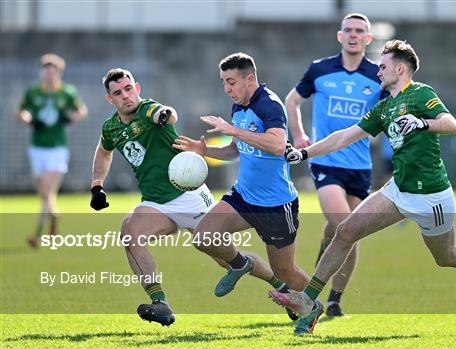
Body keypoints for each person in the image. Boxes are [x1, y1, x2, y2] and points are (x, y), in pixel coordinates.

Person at [270, 40, 456, 333]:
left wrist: (422, 123)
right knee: (345, 231)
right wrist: (305, 153)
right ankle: (309, 301)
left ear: (400, 68)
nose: (378, 72)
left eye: (382, 67)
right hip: (398, 190)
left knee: (448, 257)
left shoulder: (421, 94)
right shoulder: (384, 107)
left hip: (431, 197)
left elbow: (450, 123)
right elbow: (344, 136)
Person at [174, 53, 321, 334]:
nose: (227, 88)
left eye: (231, 82)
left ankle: (311, 307)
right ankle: (241, 265)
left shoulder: (269, 105)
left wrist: (235, 131)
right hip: (243, 196)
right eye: (223, 83)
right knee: (204, 237)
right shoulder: (238, 108)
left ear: (249, 78)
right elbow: (235, 149)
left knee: (284, 272)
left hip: (276, 205)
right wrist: (205, 152)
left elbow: (278, 145)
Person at [90, 68, 215, 326]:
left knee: (227, 258)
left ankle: (280, 285)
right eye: (118, 93)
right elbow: (103, 152)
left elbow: (166, 113)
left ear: (137, 88)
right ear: (110, 99)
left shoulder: (148, 110)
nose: (125, 96)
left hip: (190, 197)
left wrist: (164, 115)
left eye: (128, 89)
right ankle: (160, 303)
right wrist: (97, 185)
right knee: (129, 232)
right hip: (156, 203)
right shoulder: (111, 127)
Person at [285, 13, 386, 316]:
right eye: (348, 30)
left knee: (342, 232)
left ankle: (334, 300)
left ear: (368, 39)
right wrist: (300, 135)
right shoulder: (320, 69)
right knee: (346, 225)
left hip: (359, 166)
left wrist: (375, 134)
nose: (353, 35)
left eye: (360, 31)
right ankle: (310, 296)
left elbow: (386, 113)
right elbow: (292, 101)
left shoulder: (378, 75)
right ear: (340, 36)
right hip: (325, 160)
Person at [17, 53, 87, 248]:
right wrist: (28, 119)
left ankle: (37, 234)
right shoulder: (33, 92)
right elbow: (20, 111)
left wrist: (72, 117)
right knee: (44, 194)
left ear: (59, 73)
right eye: (45, 70)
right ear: (41, 72)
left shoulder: (66, 92)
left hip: (57, 149)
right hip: (37, 148)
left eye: (53, 70)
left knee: (48, 190)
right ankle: (54, 215)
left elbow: (81, 110)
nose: (49, 74)